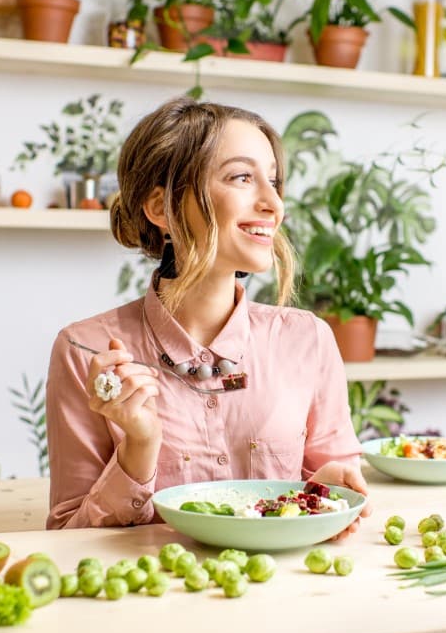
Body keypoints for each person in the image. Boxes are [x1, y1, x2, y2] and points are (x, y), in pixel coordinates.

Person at [45, 96, 369, 533]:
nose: (273, 203)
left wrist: (325, 493)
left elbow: (338, 502)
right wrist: (139, 447)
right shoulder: (85, 350)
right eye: (241, 177)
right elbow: (68, 537)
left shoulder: (307, 339)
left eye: (273, 181)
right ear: (161, 209)